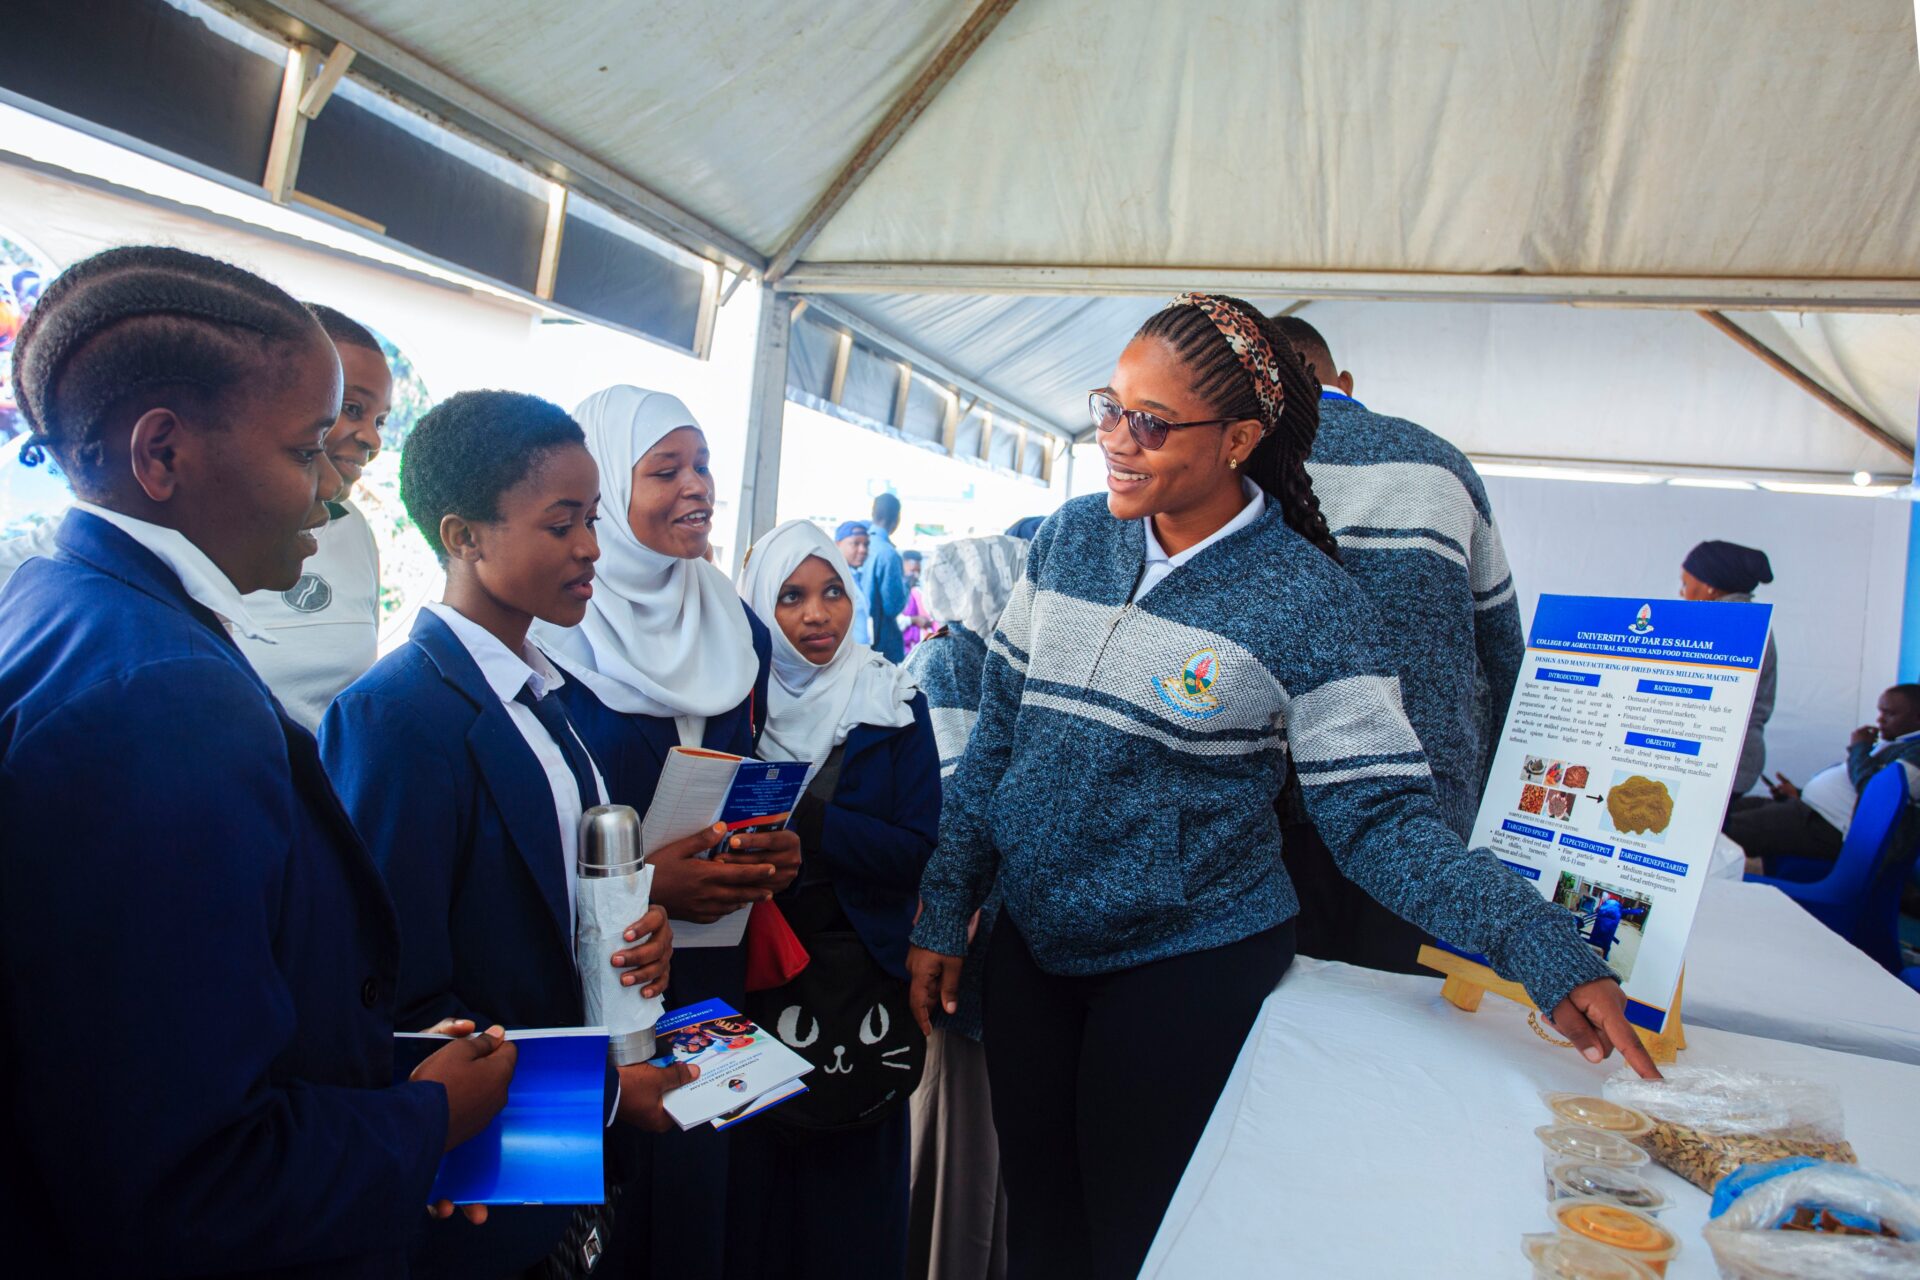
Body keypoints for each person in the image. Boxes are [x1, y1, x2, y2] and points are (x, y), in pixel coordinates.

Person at [905, 293, 1657, 1278]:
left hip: (1183, 962)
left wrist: (1540, 943)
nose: (1117, 443)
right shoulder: (1070, 540)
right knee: (1043, 1222)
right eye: (1110, 407)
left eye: (1153, 421)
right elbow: (999, 736)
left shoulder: (1309, 602)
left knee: (1147, 1237)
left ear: (1241, 438)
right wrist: (944, 899)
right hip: (1039, 953)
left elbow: (1384, 820)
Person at [0, 245, 514, 1276]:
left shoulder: (65, 599)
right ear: (162, 455)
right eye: (307, 449)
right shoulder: (164, 705)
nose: (330, 495)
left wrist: (370, 1058)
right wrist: (426, 1117)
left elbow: (138, 1019)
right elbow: (191, 1180)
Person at [320, 390, 698, 1277]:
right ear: (464, 537)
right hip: (486, 1177)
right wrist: (604, 1098)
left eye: (593, 519)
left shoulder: (541, 694)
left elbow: (554, 902)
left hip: (564, 1161)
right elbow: (400, 1000)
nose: (592, 548)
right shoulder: (398, 717)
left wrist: (640, 930)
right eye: (561, 523)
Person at [529, 385, 795, 1279]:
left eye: (705, 464)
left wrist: (770, 848)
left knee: (698, 1204)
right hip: (594, 973)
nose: (698, 487)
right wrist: (647, 879)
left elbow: (742, 769)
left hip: (711, 960)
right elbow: (529, 824)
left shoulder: (736, 624)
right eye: (665, 470)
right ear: (605, 490)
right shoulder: (559, 633)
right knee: (599, 1216)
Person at [1266, 314, 1525, 975]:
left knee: (1284, 1013)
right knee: (1404, 1021)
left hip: (1279, 801)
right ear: (1343, 380)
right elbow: (1502, 652)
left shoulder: (1237, 465)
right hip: (1427, 806)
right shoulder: (1440, 463)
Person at [0, 300, 391, 731]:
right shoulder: (171, 672)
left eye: (383, 420)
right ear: (164, 451)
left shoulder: (353, 533)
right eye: (349, 409)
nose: (373, 438)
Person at [729, 518, 939, 1280]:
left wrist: (809, 823)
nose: (817, 616)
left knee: (850, 1203)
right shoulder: (730, 706)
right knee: (756, 1196)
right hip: (753, 981)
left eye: (831, 594)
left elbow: (915, 847)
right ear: (757, 608)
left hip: (857, 983)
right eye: (790, 598)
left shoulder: (891, 701)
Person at [903, 534, 1028, 1280]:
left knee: (974, 1149)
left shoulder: (980, 662)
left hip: (985, 945)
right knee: (959, 1149)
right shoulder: (951, 661)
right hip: (964, 946)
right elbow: (956, 803)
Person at [1726, 683, 1920, 873]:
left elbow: (1875, 795)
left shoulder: (1916, 754)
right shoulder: (1896, 743)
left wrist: (1859, 749)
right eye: (1881, 712)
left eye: (1890, 714)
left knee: (1725, 831)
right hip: (1808, 810)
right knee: (1722, 813)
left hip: (1828, 826)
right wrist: (1798, 793)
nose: (1880, 720)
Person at [1682, 540, 1778, 803]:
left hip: (1722, 762)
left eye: (1687, 584)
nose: (1682, 593)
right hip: (1733, 760)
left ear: (1710, 587)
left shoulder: (1731, 624)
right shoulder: (1743, 620)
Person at [866, 492, 911, 661]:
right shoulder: (888, 554)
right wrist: (907, 584)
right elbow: (892, 606)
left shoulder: (856, 545)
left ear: (873, 513)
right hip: (881, 646)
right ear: (897, 519)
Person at [836, 518, 874, 646]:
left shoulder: (854, 575)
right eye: (855, 543)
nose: (863, 549)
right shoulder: (835, 581)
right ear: (837, 545)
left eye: (866, 544)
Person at [899, 548, 936, 654]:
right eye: (912, 571)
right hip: (902, 649)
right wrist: (913, 620)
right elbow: (892, 622)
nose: (916, 575)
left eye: (918, 571)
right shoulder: (896, 592)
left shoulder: (918, 591)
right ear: (903, 568)